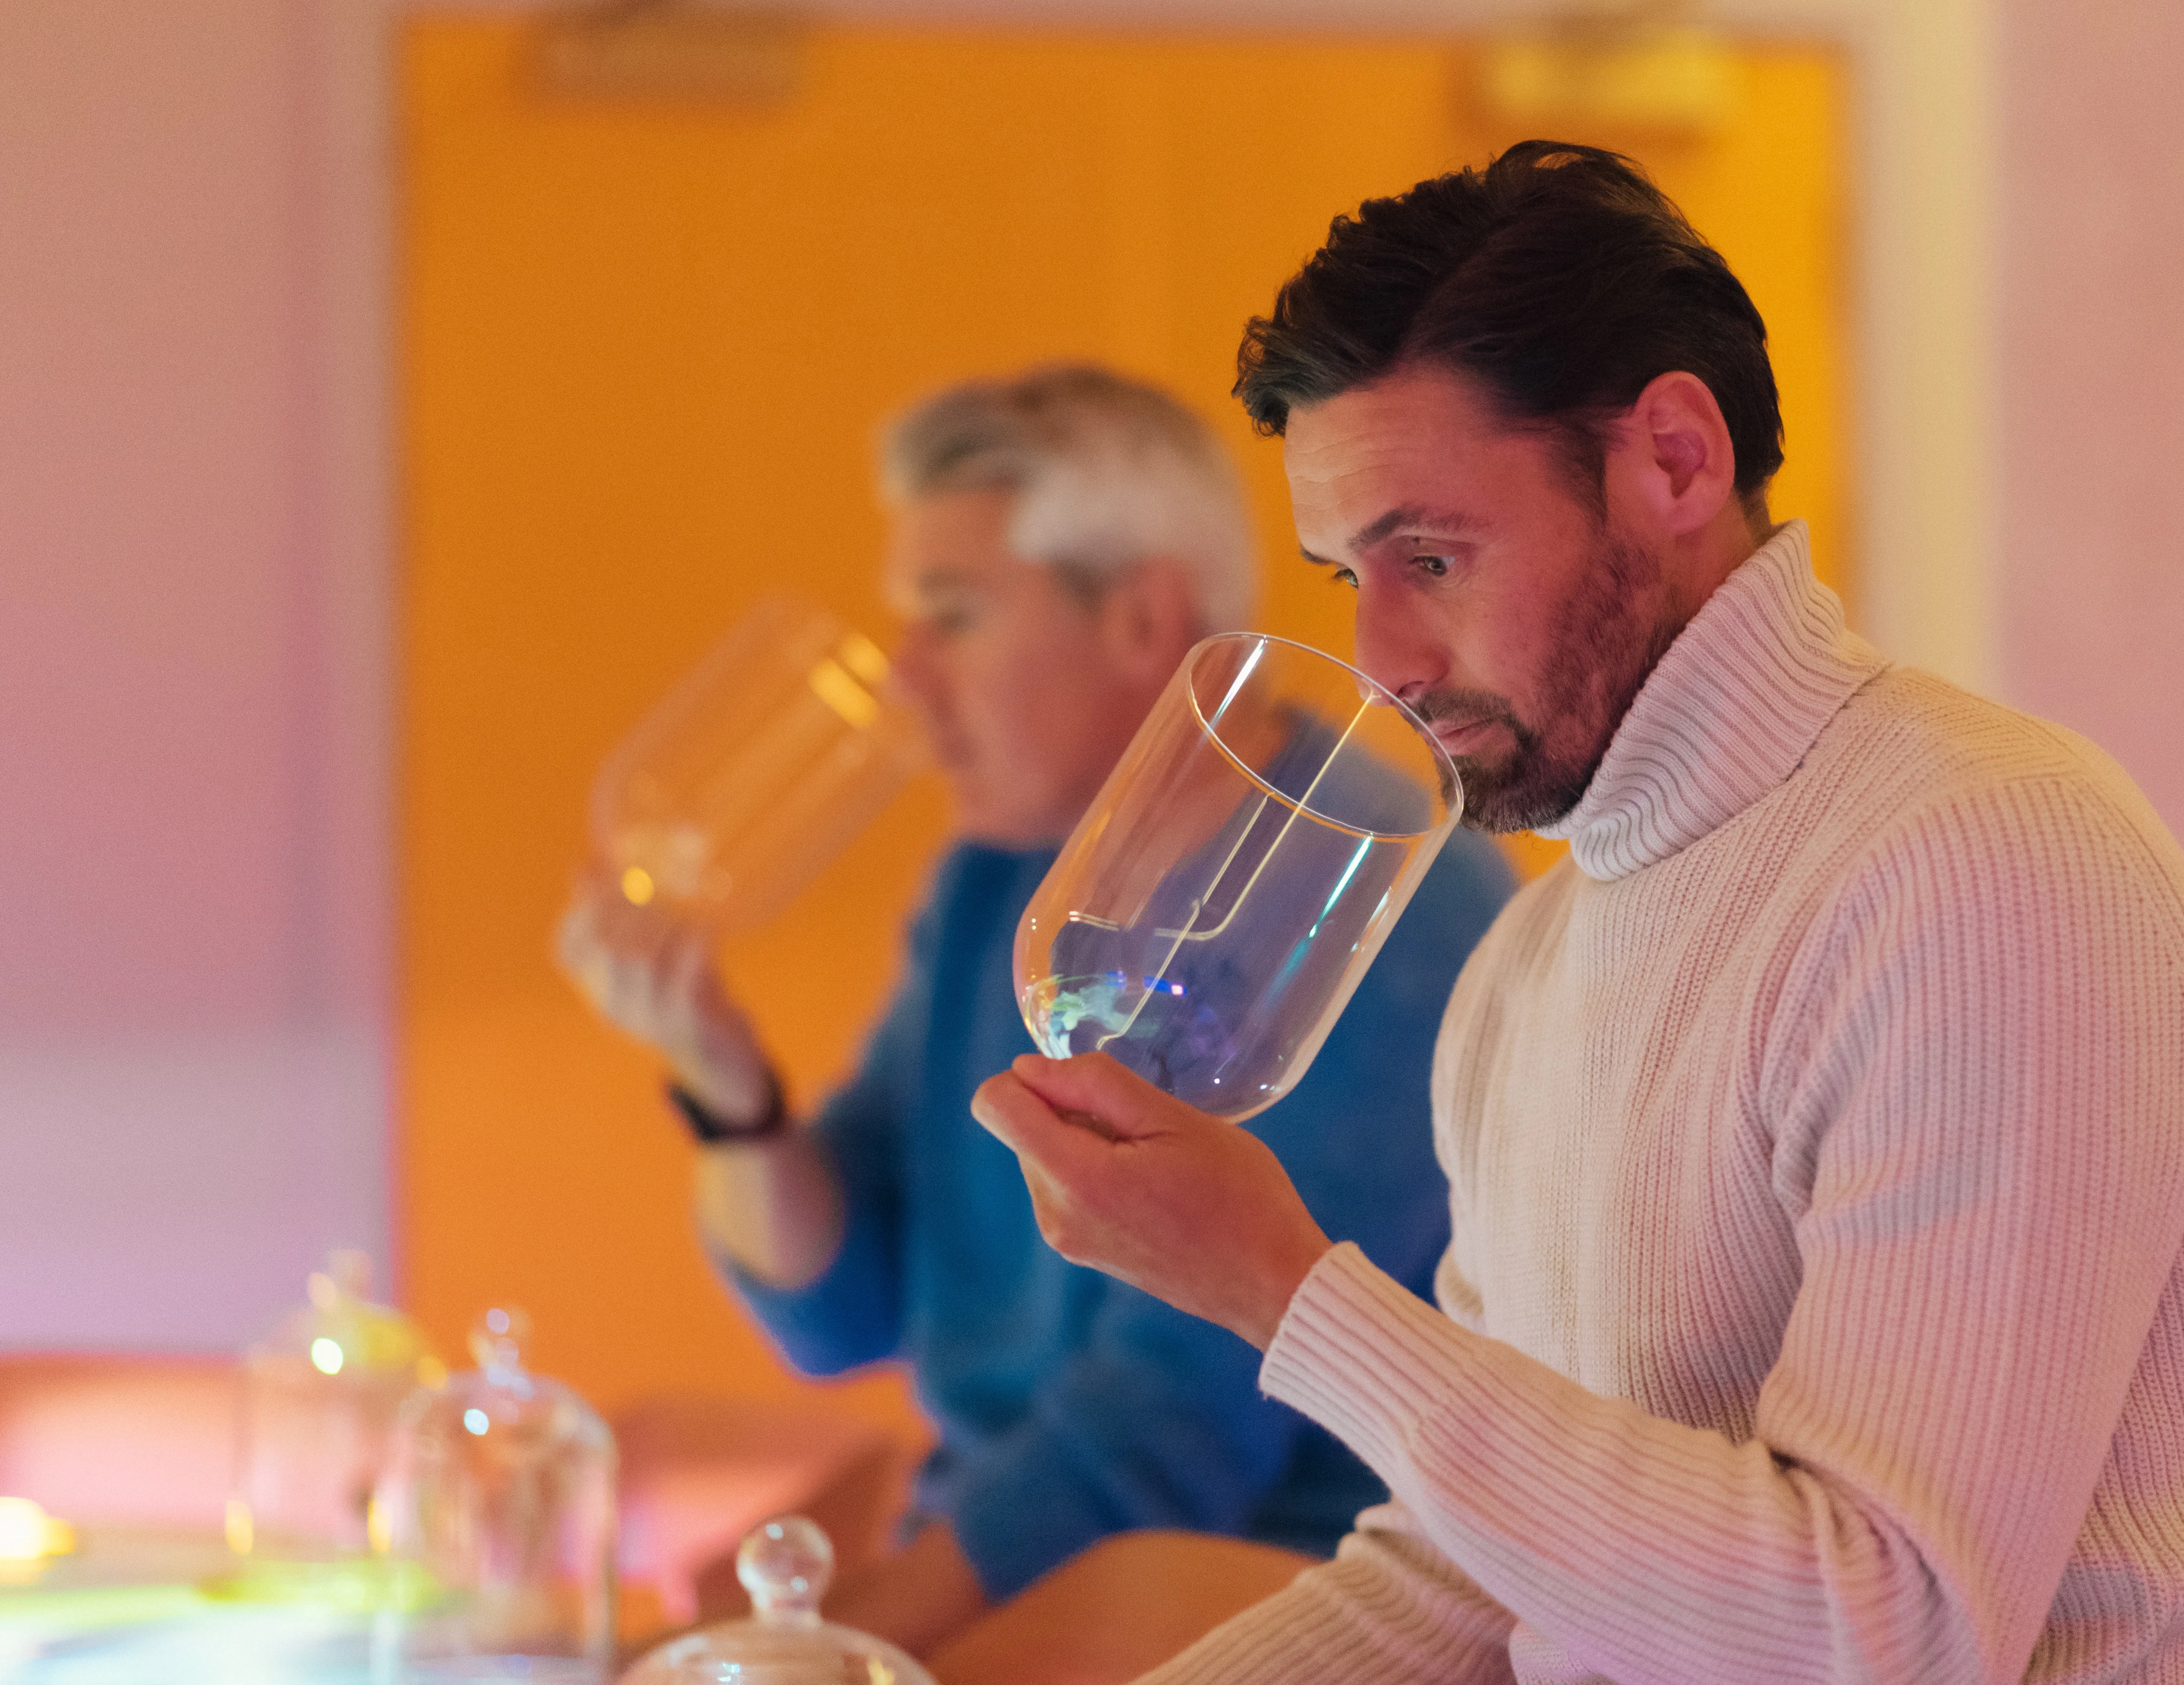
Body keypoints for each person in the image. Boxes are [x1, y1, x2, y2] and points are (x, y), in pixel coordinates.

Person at [969, 146, 2184, 1683]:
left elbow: (1887, 1634)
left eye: (1431, 556)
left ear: (1678, 460)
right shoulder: (1525, 966)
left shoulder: (1984, 865)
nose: (1384, 659)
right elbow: (1462, 1575)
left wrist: (1284, 1292)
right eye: (1348, 576)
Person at [557, 364, 1517, 1682]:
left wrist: (815, 1653)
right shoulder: (1001, 878)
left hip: (1254, 1613)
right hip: (1018, 1594)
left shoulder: (1377, 901)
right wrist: (725, 1083)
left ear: (1142, 619)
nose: (906, 682)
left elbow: (1163, 1444)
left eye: (952, 617)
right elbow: (840, 1309)